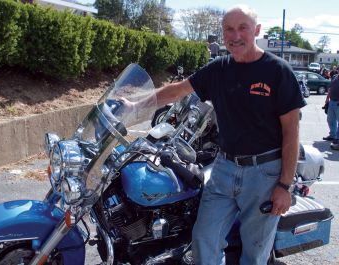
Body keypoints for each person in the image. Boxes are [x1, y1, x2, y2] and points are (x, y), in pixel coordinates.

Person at [128, 5, 305, 265]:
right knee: (203, 239)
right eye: (228, 30)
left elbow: (292, 132)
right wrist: (136, 105)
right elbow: (178, 90)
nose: (235, 36)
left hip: (264, 173)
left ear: (256, 30)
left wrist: (284, 186)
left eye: (242, 28)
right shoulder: (218, 69)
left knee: (255, 253)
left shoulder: (278, 71)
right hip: (224, 168)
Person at [323, 75, 339, 149]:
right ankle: (333, 135)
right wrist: (327, 99)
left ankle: (337, 140)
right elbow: (330, 89)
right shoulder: (335, 77)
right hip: (332, 102)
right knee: (330, 120)